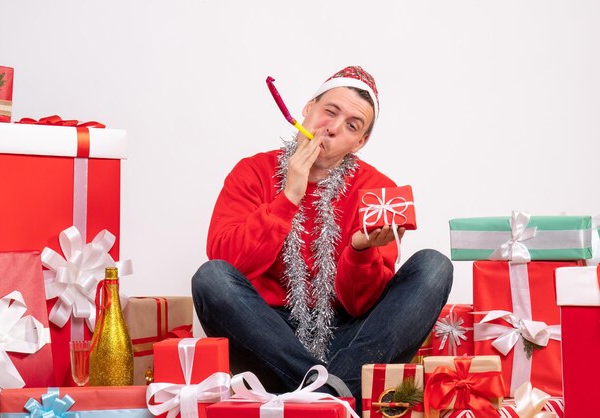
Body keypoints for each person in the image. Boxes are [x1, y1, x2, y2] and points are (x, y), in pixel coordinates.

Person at [192, 66, 453, 408]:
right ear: (307, 108)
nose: (332, 128)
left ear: (360, 142)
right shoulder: (252, 171)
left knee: (434, 266)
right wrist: (288, 198)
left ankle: (320, 395)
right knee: (210, 278)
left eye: (351, 126)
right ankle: (335, 397)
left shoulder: (377, 189)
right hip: (269, 338)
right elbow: (227, 260)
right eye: (330, 112)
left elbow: (361, 305)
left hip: (351, 341)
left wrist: (360, 250)